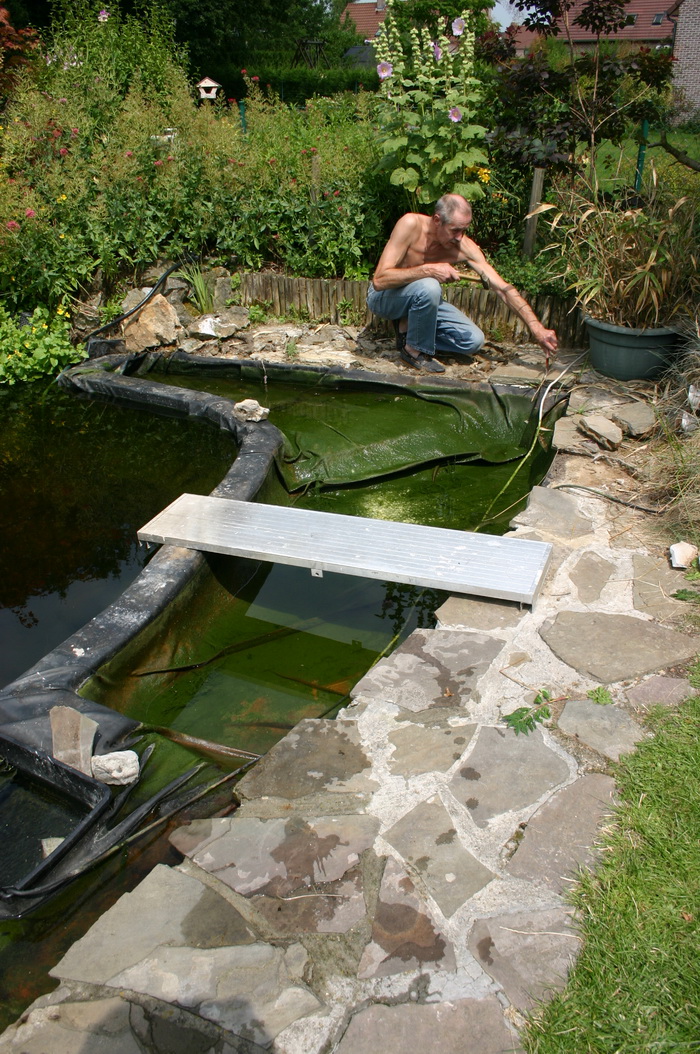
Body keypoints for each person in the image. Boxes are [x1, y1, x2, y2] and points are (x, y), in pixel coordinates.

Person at [367, 192, 559, 373]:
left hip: (421, 298)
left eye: (464, 230)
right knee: (429, 285)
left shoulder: (464, 247)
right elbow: (379, 280)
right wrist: (429, 270)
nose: (460, 237)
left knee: (473, 341)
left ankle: (409, 329)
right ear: (437, 220)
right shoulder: (410, 224)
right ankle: (413, 350)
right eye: (455, 230)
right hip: (384, 298)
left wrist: (537, 329)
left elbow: (503, 289)